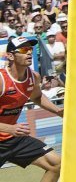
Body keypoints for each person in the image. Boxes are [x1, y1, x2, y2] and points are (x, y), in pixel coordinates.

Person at [0, 37, 62, 180]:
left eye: (30, 49)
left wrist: (58, 111)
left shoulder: (34, 77)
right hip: (9, 132)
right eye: (23, 49)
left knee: (55, 164)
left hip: (14, 139)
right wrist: (10, 128)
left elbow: (37, 97)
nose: (28, 52)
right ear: (10, 56)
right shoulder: (1, 80)